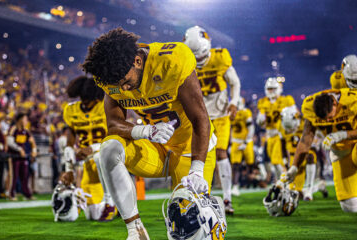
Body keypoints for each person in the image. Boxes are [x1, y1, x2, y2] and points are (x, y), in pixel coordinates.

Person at [82, 27, 217, 240]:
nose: (124, 89)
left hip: (190, 148)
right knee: (109, 148)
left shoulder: (172, 60)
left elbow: (200, 118)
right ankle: (135, 231)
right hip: (157, 147)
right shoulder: (111, 76)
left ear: (137, 61)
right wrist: (144, 130)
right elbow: (114, 124)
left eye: (126, 81)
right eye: (118, 86)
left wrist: (197, 170)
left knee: (191, 226)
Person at [184, 26, 241, 214]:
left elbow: (235, 82)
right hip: (200, 117)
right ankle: (198, 197)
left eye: (201, 56)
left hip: (222, 115)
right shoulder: (185, 61)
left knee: (222, 153)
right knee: (197, 156)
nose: (199, 61)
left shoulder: (220, 57)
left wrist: (234, 102)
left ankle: (227, 199)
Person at [285, 88, 357, 212]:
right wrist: (294, 167)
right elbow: (306, 139)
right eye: (324, 120)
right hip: (340, 153)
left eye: (329, 117)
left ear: (335, 103)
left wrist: (341, 135)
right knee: (350, 207)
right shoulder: (310, 107)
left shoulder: (352, 100)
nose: (328, 121)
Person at [60, 75, 117, 222]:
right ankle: (115, 206)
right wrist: (69, 170)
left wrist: (93, 148)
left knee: (99, 156)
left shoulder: (105, 106)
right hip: (89, 164)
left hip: (109, 157)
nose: (88, 103)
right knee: (94, 215)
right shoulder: (72, 110)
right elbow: (70, 141)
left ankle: (111, 202)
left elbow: (116, 135)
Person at [257, 78, 296, 182]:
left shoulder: (286, 100)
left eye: (273, 88)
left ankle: (285, 183)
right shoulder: (263, 102)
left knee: (278, 161)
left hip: (281, 135)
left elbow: (295, 116)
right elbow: (260, 122)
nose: (271, 91)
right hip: (270, 136)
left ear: (278, 88)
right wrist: (260, 120)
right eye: (269, 89)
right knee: (274, 162)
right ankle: (282, 182)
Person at [7, 113, 37, 200]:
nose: (26, 121)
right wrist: (19, 149)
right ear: (20, 120)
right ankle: (11, 194)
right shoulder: (13, 129)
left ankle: (27, 194)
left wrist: (34, 151)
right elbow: (9, 142)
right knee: (14, 176)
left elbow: (32, 142)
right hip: (14, 156)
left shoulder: (26, 131)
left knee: (25, 176)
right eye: (25, 119)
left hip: (23, 157)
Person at [230, 97, 254, 196]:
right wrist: (231, 142)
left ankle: (249, 183)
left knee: (250, 164)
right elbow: (231, 129)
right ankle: (235, 186)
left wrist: (246, 142)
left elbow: (251, 128)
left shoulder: (246, 113)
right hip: (236, 141)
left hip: (246, 141)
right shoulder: (230, 114)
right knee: (235, 165)